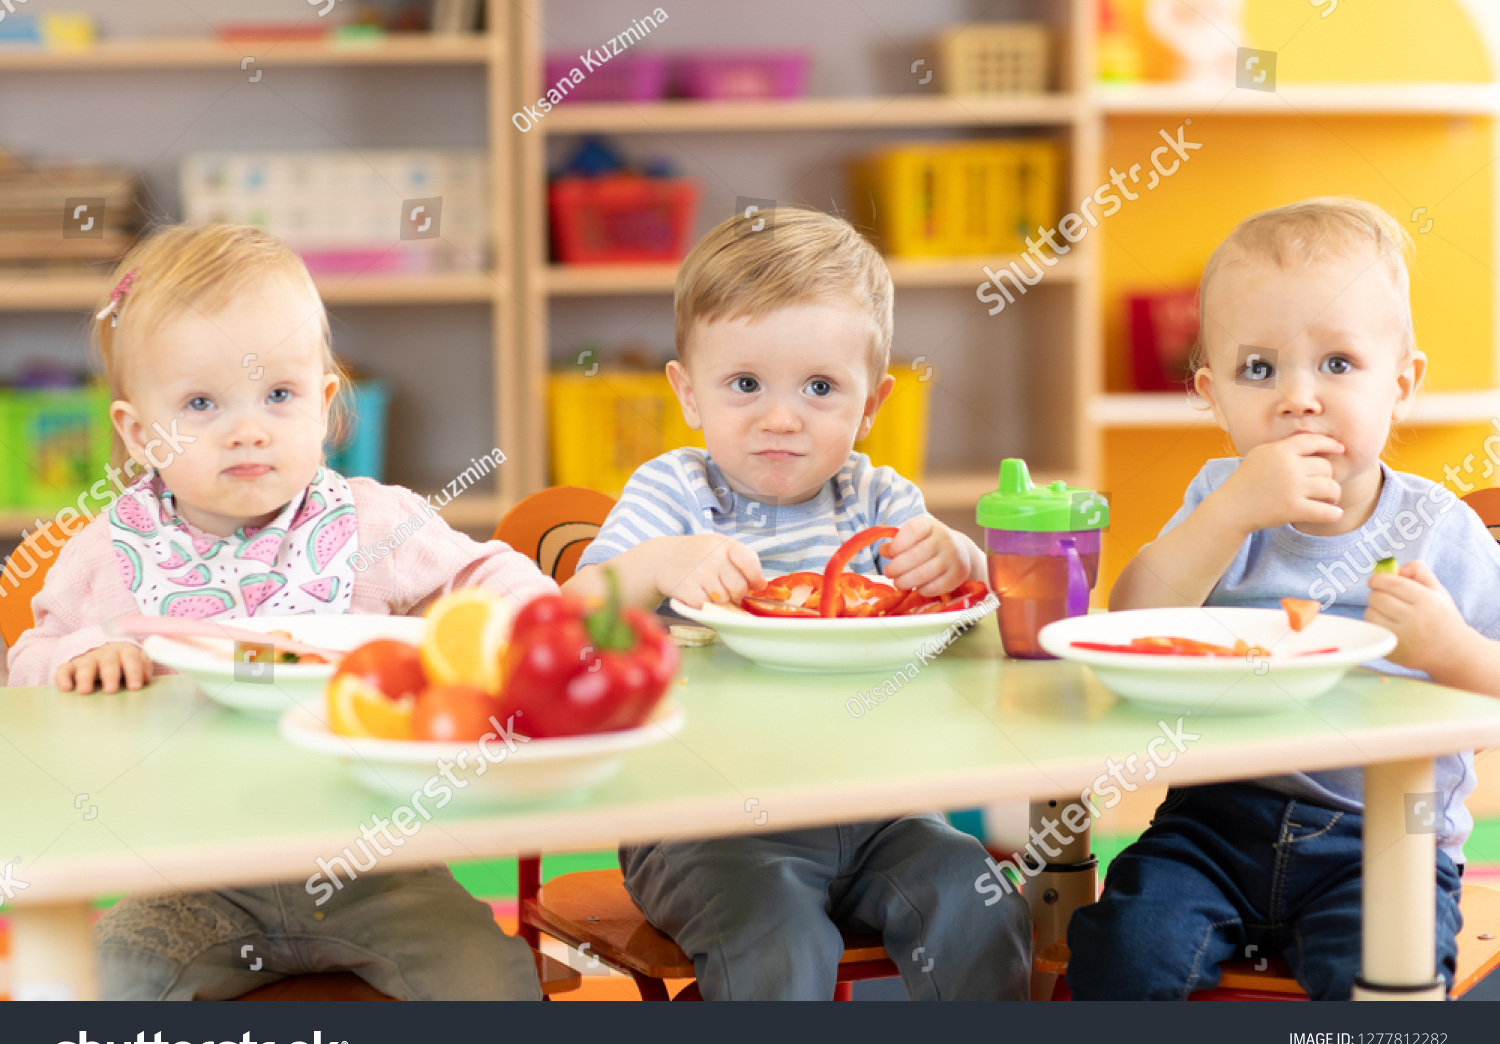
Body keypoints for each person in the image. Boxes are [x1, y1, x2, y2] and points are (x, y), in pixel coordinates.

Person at [8, 223, 555, 1000]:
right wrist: (79, 655)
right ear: (138, 431)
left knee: (491, 980)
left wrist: (527, 624)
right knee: (96, 985)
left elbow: (492, 575)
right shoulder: (106, 552)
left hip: (378, 865)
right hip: (186, 878)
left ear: (325, 404)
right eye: (201, 403)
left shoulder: (372, 523)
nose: (248, 428)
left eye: (279, 394)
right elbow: (28, 662)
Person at [564, 207, 1031, 1000]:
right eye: (745, 384)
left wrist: (963, 563)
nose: (781, 416)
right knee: (779, 937)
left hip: (880, 809)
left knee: (979, 901)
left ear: (873, 404)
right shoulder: (673, 492)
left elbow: (991, 630)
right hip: (702, 824)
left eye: (820, 387)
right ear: (687, 392)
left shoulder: (879, 496)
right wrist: (657, 563)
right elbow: (573, 618)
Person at [1068, 196, 1500, 999]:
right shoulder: (1217, 499)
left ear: (1401, 385)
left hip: (1385, 843)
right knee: (1123, 949)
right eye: (1258, 369)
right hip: (1212, 824)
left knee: (1381, 983)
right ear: (1214, 394)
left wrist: (1449, 647)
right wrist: (1229, 512)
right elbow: (1124, 623)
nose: (1297, 397)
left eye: (1337, 364)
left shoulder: (1438, 529)